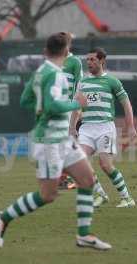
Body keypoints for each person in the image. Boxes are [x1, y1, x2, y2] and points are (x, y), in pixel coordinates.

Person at [0, 32, 111, 251]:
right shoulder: (56, 75)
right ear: (66, 52)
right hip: (48, 141)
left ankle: (84, 235)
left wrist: (41, 111)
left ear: (46, 51)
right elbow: (54, 106)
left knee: (86, 180)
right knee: (48, 195)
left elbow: (25, 99)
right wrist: (76, 104)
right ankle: (2, 217)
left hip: (62, 139)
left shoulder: (41, 72)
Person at [70, 47, 137, 208]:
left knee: (105, 165)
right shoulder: (83, 82)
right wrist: (72, 126)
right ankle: (100, 194)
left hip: (105, 128)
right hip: (86, 128)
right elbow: (77, 106)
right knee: (79, 163)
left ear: (102, 61)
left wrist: (131, 126)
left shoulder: (112, 81)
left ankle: (127, 198)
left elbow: (126, 104)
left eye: (93, 59)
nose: (89, 63)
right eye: (88, 60)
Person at [59, 32, 84, 190]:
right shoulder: (53, 61)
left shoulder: (74, 62)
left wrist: (76, 110)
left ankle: (68, 178)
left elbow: (79, 87)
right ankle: (62, 178)